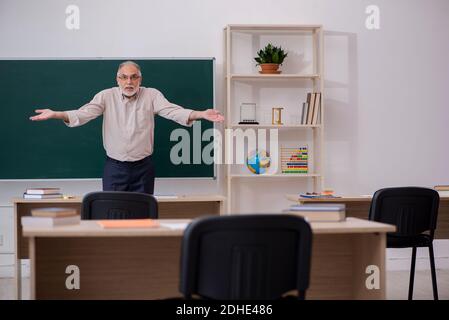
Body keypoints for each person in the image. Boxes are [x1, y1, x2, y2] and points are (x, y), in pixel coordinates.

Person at [30, 60, 224, 194]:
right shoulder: (106, 96)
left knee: (144, 218)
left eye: (133, 77)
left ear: (140, 79)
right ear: (117, 79)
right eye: (124, 77)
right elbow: (83, 113)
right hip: (115, 168)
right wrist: (57, 114)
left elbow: (173, 111)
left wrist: (201, 114)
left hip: (144, 168)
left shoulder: (152, 95)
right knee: (112, 216)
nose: (129, 82)